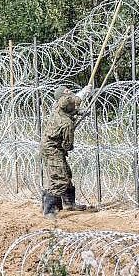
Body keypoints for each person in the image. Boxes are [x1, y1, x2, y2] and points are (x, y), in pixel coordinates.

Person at [40, 84, 92, 219]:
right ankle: (49, 209)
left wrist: (80, 108)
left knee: (66, 173)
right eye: (67, 94)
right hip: (53, 149)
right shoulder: (66, 123)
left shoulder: (59, 109)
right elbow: (68, 145)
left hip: (52, 148)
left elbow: (70, 104)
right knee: (60, 178)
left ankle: (69, 203)